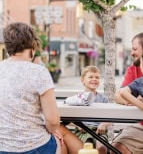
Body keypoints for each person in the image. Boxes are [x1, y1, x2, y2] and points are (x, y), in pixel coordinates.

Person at [0, 22, 83, 154]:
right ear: (32, 47)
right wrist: (53, 129)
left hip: (3, 147)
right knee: (62, 136)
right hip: (34, 148)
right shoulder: (39, 72)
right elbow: (52, 119)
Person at [64, 65, 112, 154]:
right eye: (90, 77)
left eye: (97, 77)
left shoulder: (103, 99)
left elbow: (111, 117)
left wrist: (104, 124)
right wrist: (77, 125)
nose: (94, 79)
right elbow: (68, 119)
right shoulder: (77, 99)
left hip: (99, 132)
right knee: (87, 146)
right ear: (83, 80)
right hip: (83, 131)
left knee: (101, 147)